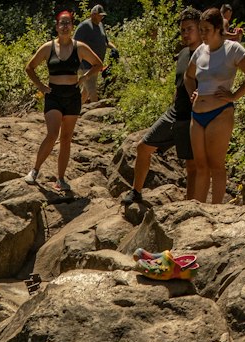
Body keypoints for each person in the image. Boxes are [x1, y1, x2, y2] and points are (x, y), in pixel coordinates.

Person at [122, 8, 202, 206]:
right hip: (174, 113)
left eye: (189, 29)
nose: (185, 33)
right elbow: (179, 84)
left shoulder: (207, 54)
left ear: (201, 29)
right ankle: (136, 192)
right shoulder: (183, 53)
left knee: (191, 166)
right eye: (182, 29)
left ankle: (189, 206)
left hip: (194, 117)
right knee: (143, 147)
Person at [184, 7, 245, 204]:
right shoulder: (200, 50)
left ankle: (217, 210)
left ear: (218, 29)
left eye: (206, 30)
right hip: (197, 115)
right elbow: (188, 76)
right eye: (200, 30)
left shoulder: (232, 49)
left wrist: (234, 96)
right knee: (201, 167)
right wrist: (193, 91)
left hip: (220, 113)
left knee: (216, 165)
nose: (202, 34)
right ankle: (198, 212)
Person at [24, 11, 103, 195]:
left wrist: (84, 77)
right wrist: (41, 86)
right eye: (62, 23)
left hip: (73, 96)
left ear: (72, 26)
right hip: (54, 94)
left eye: (68, 23)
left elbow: (98, 64)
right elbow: (30, 68)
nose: (65, 26)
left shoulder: (80, 47)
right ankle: (35, 170)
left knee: (66, 139)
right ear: (56, 26)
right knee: (52, 134)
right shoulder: (47, 47)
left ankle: (60, 179)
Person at [74, 4, 108, 104]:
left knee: (85, 91)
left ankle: (74, 110)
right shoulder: (84, 26)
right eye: (99, 15)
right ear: (93, 14)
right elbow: (75, 43)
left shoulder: (101, 25)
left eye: (102, 15)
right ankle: (96, 115)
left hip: (96, 65)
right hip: (85, 64)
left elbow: (106, 41)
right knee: (92, 90)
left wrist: (115, 48)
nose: (101, 17)